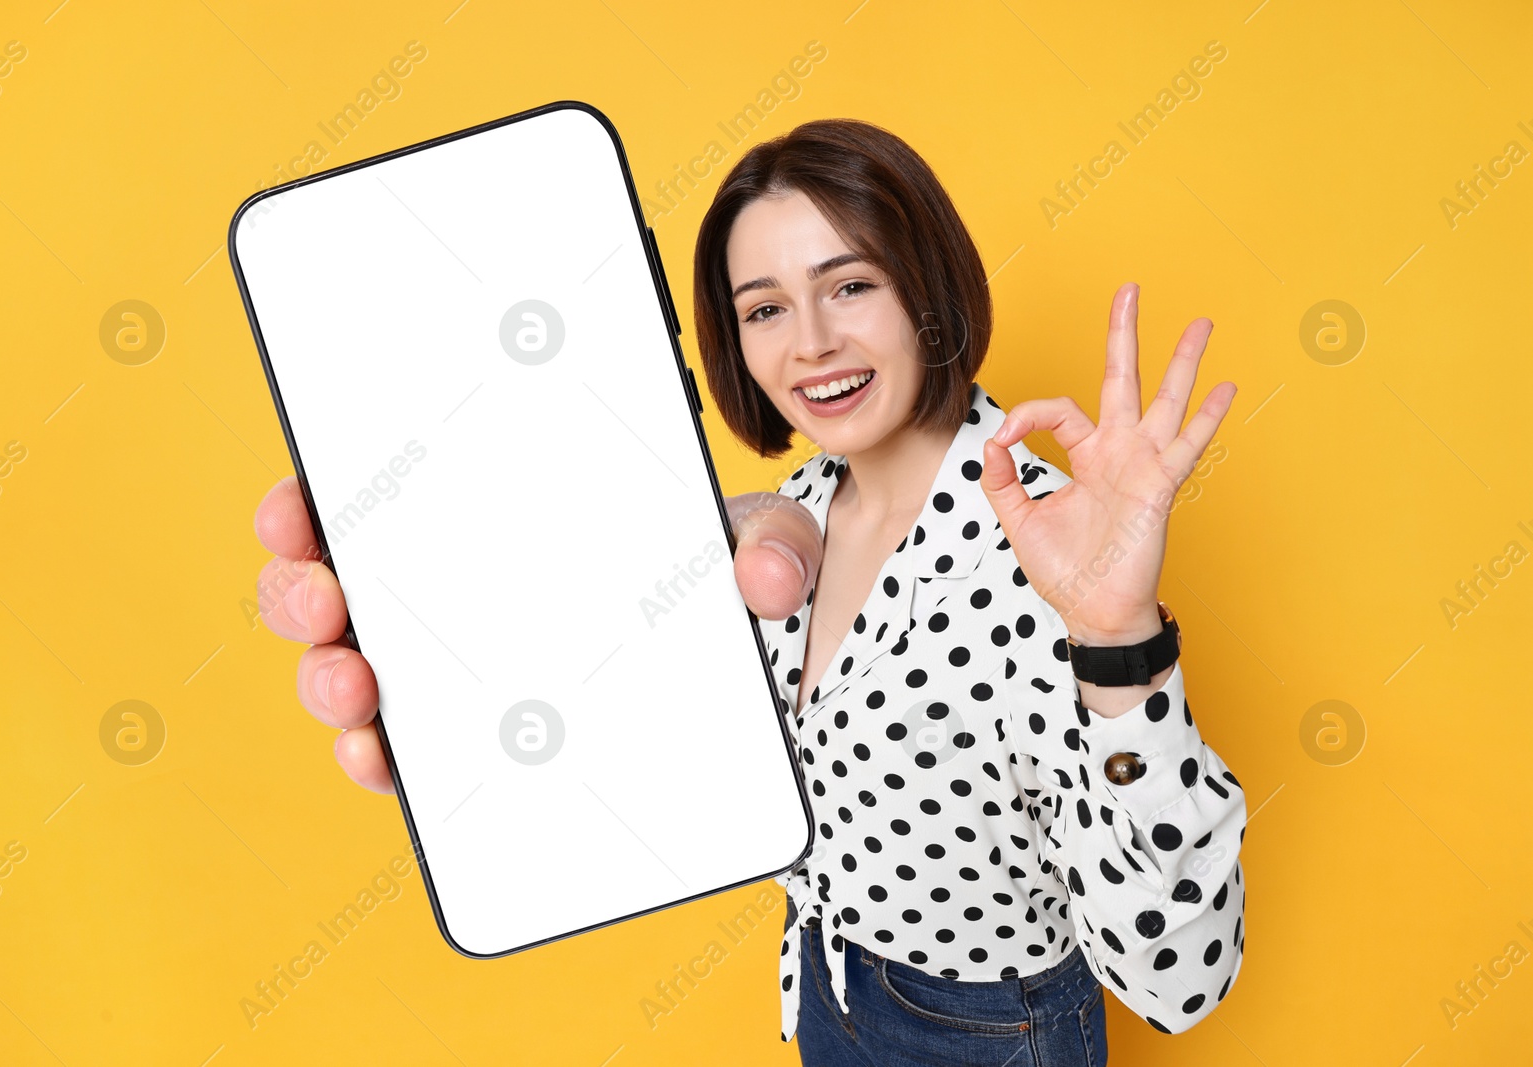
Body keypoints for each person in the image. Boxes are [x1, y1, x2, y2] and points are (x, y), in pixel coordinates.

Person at [254, 118, 1246, 1066]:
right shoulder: (788, 516)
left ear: (926, 294)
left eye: (848, 285)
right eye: (764, 307)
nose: (808, 342)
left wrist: (1118, 637)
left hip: (987, 1027)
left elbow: (1176, 982)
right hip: (826, 985)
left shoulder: (1045, 561)